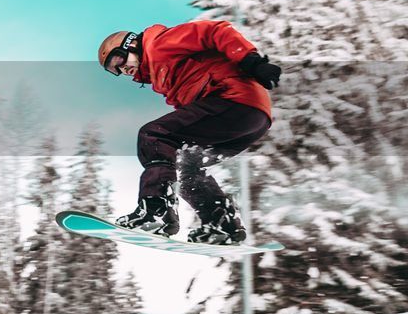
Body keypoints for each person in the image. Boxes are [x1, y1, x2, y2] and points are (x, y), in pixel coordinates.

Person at [97, 22, 281, 244]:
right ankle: (221, 225)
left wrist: (251, 61)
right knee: (185, 165)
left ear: (132, 43)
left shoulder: (159, 44)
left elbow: (214, 31)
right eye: (113, 70)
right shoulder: (160, 75)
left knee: (153, 136)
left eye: (119, 60)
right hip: (250, 120)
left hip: (234, 100)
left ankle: (155, 210)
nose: (121, 70)